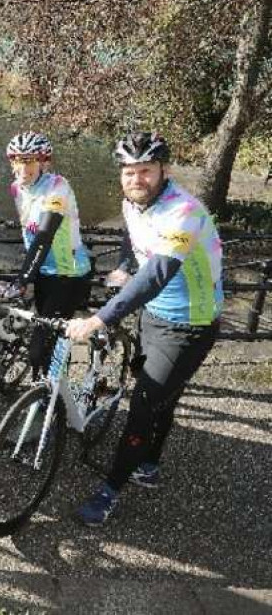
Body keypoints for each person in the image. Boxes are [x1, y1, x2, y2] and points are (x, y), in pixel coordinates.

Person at [66, 132, 223, 526]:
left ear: (163, 171)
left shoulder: (183, 211)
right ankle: (149, 464)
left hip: (190, 325)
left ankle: (109, 492)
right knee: (161, 398)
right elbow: (131, 234)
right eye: (129, 171)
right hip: (154, 316)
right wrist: (122, 264)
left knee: (142, 408)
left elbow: (156, 275)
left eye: (146, 171)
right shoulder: (133, 202)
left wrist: (100, 318)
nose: (137, 179)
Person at [3, 131, 92, 376]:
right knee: (48, 339)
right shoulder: (17, 189)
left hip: (68, 274)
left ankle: (53, 402)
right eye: (18, 160)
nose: (23, 167)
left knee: (40, 348)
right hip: (44, 271)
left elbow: (44, 235)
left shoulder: (57, 187)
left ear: (44, 163)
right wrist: (30, 275)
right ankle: (47, 390)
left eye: (30, 160)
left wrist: (23, 278)